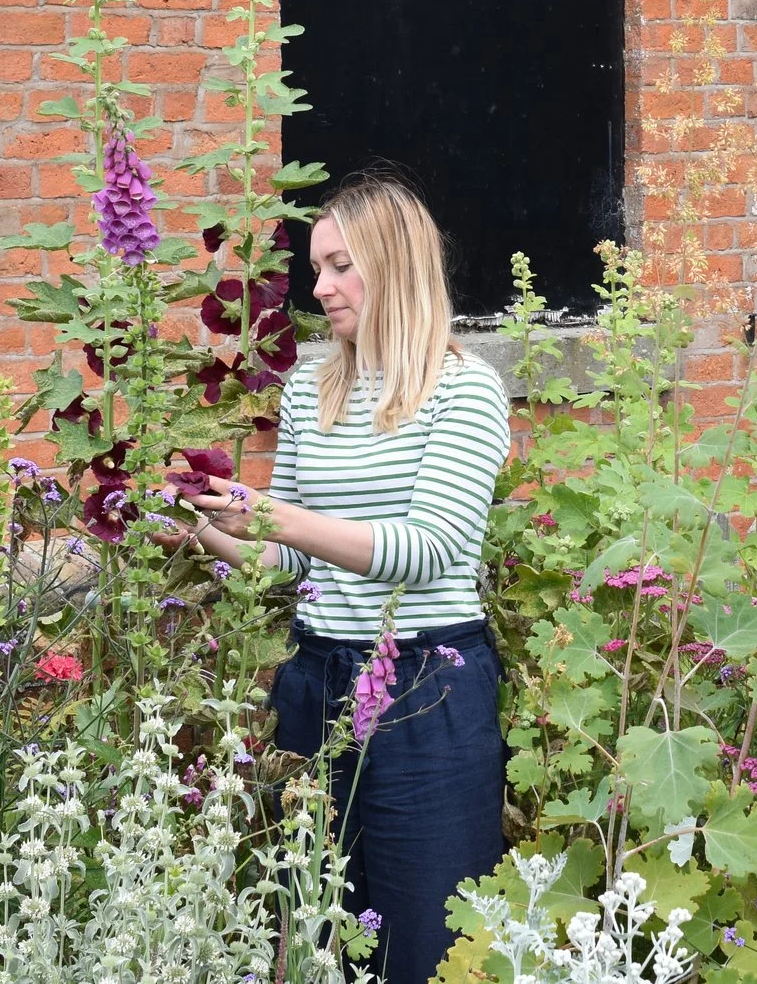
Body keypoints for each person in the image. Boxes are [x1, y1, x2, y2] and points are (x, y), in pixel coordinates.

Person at [167, 173, 512, 984]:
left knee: (430, 946)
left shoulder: (465, 388)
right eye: (317, 268)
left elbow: (427, 547)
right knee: (317, 938)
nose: (319, 287)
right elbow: (286, 557)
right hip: (316, 683)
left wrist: (275, 516)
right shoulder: (310, 390)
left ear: (394, 265)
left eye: (340, 266)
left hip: (427, 689)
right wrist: (198, 524)